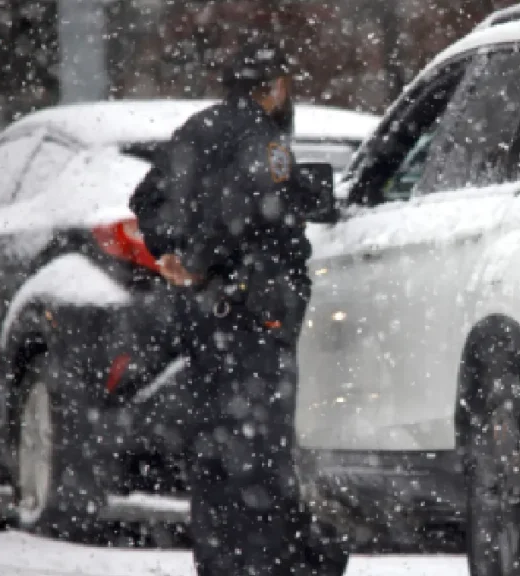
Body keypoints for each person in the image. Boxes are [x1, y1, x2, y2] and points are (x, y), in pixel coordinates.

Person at [129, 35, 345, 576]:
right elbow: (247, 205)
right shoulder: (263, 138)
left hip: (204, 317)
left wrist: (169, 254)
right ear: (273, 88)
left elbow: (144, 200)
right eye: (286, 86)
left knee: (212, 446)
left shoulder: (197, 129)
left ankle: (220, 561)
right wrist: (201, 259)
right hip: (252, 311)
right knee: (263, 448)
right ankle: (274, 562)